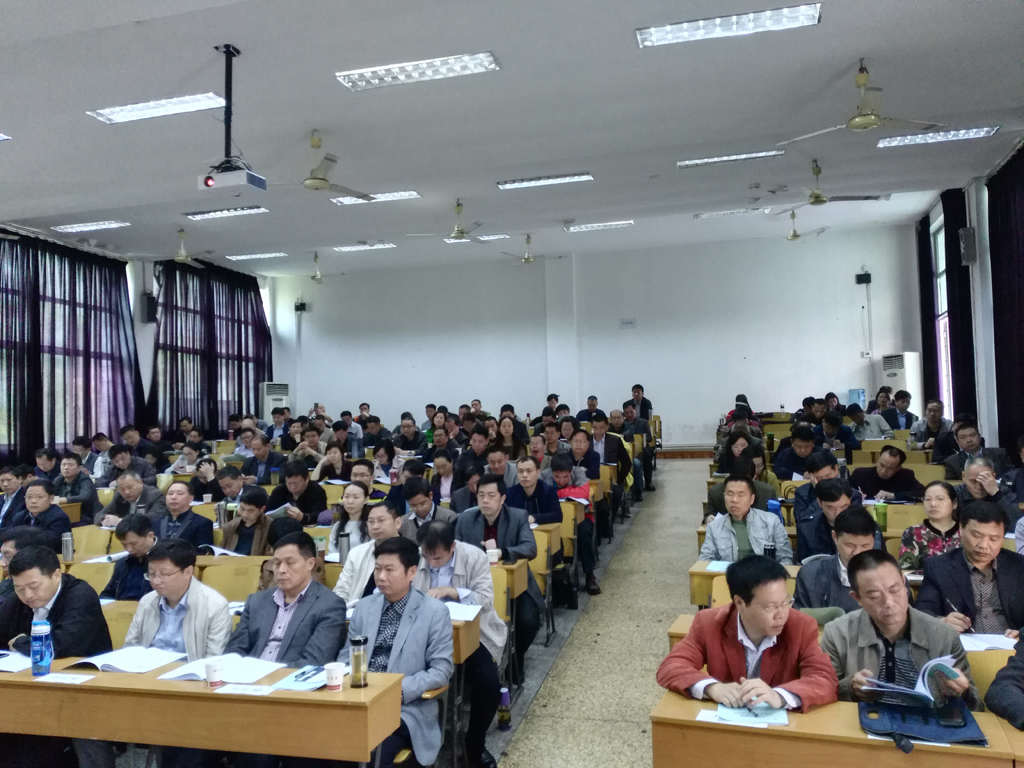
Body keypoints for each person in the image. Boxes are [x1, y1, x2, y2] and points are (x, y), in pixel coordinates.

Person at [656, 555, 838, 711]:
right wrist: (713, 688)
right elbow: (671, 666)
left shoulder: (800, 626)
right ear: (739, 603)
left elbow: (825, 679)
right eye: (770, 607)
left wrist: (779, 696)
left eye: (785, 603)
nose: (781, 614)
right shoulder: (710, 623)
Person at [340, 537, 454, 768]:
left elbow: (441, 671)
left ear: (412, 572)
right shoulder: (364, 607)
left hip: (404, 709)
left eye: (389, 570)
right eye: (377, 569)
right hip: (358, 701)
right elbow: (346, 656)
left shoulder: (434, 612)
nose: (381, 577)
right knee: (321, 746)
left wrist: (396, 692)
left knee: (371, 752)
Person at [0, 545, 114, 768]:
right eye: (19, 588)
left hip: (84, 690)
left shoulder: (81, 595)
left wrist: (21, 642)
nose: (27, 595)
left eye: (34, 586)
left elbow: (61, 645)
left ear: (55, 575)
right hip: (30, 689)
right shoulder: (18, 601)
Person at [821, 550, 980, 709]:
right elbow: (823, 693)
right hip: (863, 720)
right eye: (875, 596)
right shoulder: (837, 634)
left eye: (894, 590)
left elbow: (976, 706)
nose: (889, 602)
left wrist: (962, 693)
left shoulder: (944, 636)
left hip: (928, 720)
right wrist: (850, 688)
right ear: (857, 598)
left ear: (904, 584)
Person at [414, 522, 504, 768]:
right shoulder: (415, 557)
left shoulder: (474, 556)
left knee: (489, 684)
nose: (431, 562)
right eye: (427, 556)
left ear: (452, 547)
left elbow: (485, 600)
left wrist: (453, 592)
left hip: (473, 633)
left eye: (438, 557)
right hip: (424, 635)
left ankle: (474, 745)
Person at [455, 474, 542, 680]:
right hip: (475, 587)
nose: (485, 500)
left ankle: (515, 659)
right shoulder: (465, 519)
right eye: (481, 495)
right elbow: (454, 550)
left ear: (502, 498)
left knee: (528, 621)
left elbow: (530, 548)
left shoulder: (518, 516)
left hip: (515, 586)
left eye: (491, 495)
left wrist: (501, 552)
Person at [226, 531, 347, 664]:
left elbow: (314, 662)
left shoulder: (329, 605)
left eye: (290, 563)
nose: (281, 570)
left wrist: (271, 674)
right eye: (277, 563)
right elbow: (234, 651)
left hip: (292, 675)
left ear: (310, 564)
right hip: (249, 674)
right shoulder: (256, 601)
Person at [915, 501, 1024, 636]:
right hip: (962, 645)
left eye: (993, 538)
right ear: (961, 529)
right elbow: (923, 611)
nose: (983, 545)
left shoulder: (1019, 566)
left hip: (1011, 645)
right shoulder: (938, 567)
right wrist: (941, 621)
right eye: (976, 535)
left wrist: (1022, 634)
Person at [124, 538, 231, 660]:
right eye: (152, 574)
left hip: (190, 670)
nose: (155, 581)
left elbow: (214, 659)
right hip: (147, 669)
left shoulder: (215, 606)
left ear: (188, 572)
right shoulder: (147, 601)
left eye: (164, 574)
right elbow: (130, 649)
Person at [794, 507, 879, 615]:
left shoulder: (888, 575)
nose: (857, 552)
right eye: (850, 545)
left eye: (865, 546)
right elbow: (799, 618)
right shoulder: (809, 575)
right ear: (834, 537)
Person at [699, 476, 793, 564]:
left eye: (741, 495)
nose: (734, 500)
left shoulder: (771, 521)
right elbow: (704, 560)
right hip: (728, 575)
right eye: (730, 494)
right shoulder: (714, 527)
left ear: (752, 499)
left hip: (766, 575)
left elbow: (786, 558)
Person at [334, 500, 404, 602]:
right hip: (357, 609)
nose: (375, 526)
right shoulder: (356, 553)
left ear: (398, 522)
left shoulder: (412, 553)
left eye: (381, 520)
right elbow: (341, 590)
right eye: (371, 522)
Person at [796, 478, 878, 563]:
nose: (838, 513)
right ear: (819, 503)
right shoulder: (806, 527)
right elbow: (802, 563)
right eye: (831, 508)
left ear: (850, 500)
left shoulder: (867, 525)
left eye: (844, 506)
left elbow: (877, 559)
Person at [899, 481, 962, 569]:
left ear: (954, 503)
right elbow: (907, 569)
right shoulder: (912, 532)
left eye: (940, 499)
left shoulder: (965, 531)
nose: (933, 504)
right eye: (928, 499)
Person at [100, 514, 156, 600]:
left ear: (150, 536)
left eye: (133, 544)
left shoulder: (165, 561)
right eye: (124, 544)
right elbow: (107, 594)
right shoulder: (122, 563)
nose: (129, 549)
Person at [957, 456, 1020, 527]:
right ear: (963, 476)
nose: (978, 487)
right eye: (973, 481)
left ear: (993, 477)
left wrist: (996, 494)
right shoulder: (955, 493)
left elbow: (1018, 524)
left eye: (984, 481)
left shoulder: (1004, 492)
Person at [10, 480, 72, 551]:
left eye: (40, 497)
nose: (33, 501)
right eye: (29, 497)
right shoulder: (19, 516)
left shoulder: (59, 518)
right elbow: (11, 538)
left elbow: (48, 542)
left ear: (51, 498)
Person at [850, 445, 926, 502]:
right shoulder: (860, 474)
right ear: (878, 459)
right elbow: (845, 489)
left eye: (890, 468)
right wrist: (855, 494)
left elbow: (923, 493)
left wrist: (893, 495)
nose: (883, 471)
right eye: (882, 465)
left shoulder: (906, 475)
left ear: (898, 468)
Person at [0, 526, 52, 607]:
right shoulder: (6, 585)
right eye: (1, 556)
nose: (2, 563)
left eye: (7, 556)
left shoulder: (37, 597)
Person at [95, 471, 168, 527]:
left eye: (130, 487)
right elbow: (99, 515)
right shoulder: (119, 496)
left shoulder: (155, 495)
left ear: (140, 483)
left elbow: (155, 518)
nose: (126, 492)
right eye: (122, 489)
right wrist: (104, 520)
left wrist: (121, 521)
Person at [154, 482, 214, 549]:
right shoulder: (155, 522)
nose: (173, 497)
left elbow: (204, 551)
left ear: (191, 498)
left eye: (180, 494)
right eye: (170, 494)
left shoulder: (202, 523)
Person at [944, 420, 1010, 479]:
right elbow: (952, 485)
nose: (969, 440)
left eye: (972, 435)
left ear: (979, 436)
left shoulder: (999, 454)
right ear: (957, 441)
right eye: (963, 437)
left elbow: (1010, 477)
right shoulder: (952, 462)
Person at [399, 477, 457, 542]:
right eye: (413, 506)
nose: (419, 509)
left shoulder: (449, 517)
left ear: (430, 495)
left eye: (423, 503)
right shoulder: (402, 523)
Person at [221, 485, 273, 556]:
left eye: (250, 511)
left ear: (262, 509)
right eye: (242, 509)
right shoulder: (230, 526)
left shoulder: (270, 527)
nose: (244, 514)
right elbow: (222, 552)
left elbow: (269, 555)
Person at [52, 451, 100, 521]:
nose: (66, 468)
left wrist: (61, 500)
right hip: (63, 514)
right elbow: (49, 494)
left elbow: (84, 497)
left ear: (79, 468)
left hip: (85, 516)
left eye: (70, 465)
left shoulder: (85, 480)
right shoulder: (58, 479)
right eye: (64, 464)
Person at [328, 481, 372, 553]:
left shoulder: (371, 525)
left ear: (366, 499)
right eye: (346, 497)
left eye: (356, 497)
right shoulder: (337, 526)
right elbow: (332, 551)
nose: (350, 501)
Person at [0, 465, 29, 529]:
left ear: (19, 479)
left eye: (9, 480)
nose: (5, 484)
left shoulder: (26, 497)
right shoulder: (1, 498)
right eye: (2, 481)